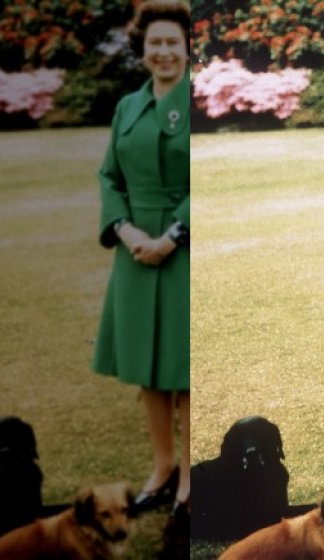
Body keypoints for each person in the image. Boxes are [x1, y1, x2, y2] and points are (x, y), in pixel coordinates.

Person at [92, 0, 191, 525]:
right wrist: (128, 230)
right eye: (155, 42)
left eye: (173, 42)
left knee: (184, 368)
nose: (164, 51)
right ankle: (163, 468)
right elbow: (109, 176)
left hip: (181, 252)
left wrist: (171, 235)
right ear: (142, 47)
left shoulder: (195, 100)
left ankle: (191, 480)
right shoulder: (128, 107)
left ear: (187, 46)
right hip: (135, 253)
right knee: (148, 370)